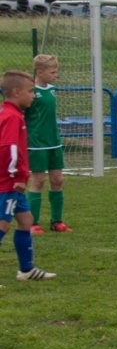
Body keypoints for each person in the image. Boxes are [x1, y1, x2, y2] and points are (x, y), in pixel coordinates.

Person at [1, 70, 55, 281]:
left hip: (9, 180)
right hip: (7, 182)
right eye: (30, 91)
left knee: (26, 219)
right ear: (16, 92)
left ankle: (26, 270)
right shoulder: (12, 117)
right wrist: (18, 177)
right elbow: (9, 148)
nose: (33, 95)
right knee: (3, 225)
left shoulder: (9, 113)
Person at [24, 54, 70, 234]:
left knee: (57, 180)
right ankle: (32, 223)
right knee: (38, 181)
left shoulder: (51, 89)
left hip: (54, 143)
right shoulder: (30, 92)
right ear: (39, 72)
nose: (55, 75)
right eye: (52, 71)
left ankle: (56, 221)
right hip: (36, 144)